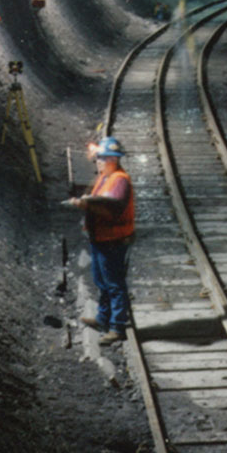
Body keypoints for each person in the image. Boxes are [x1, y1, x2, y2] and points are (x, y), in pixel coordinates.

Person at [70, 135, 134, 346]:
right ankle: (102, 319)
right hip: (101, 239)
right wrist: (85, 202)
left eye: (102, 158)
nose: (97, 161)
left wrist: (86, 203)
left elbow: (113, 206)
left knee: (114, 284)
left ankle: (117, 327)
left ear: (113, 160)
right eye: (98, 158)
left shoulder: (119, 180)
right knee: (102, 281)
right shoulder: (106, 177)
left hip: (113, 240)